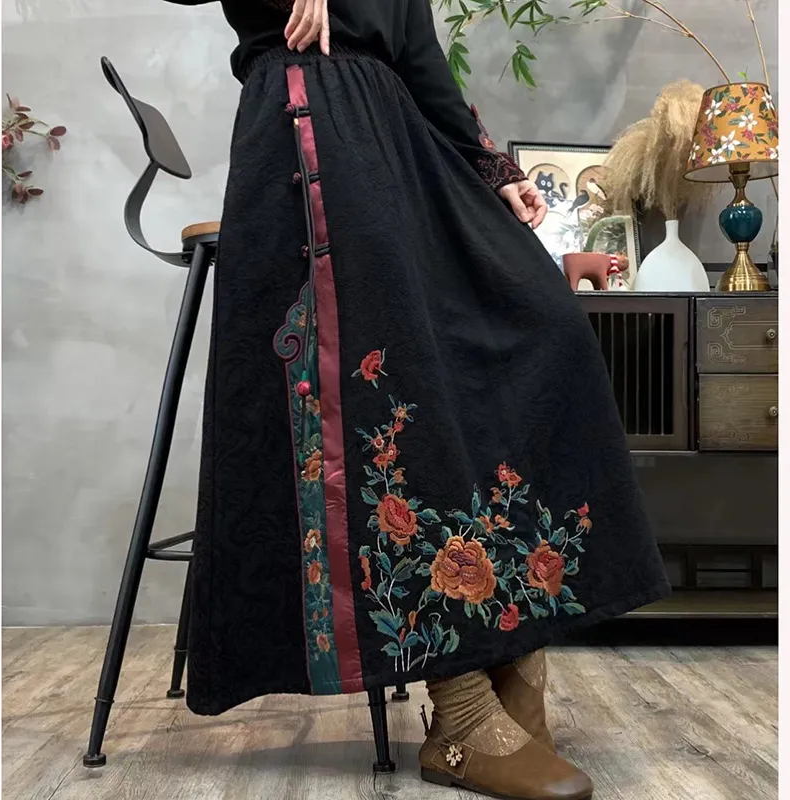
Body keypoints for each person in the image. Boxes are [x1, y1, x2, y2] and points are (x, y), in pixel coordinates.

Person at [165, 2, 671, 798]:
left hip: (398, 143)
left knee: (545, 320)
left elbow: (419, 54)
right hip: (311, 128)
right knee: (390, 381)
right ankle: (460, 707)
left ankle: (515, 659)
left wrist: (492, 169)